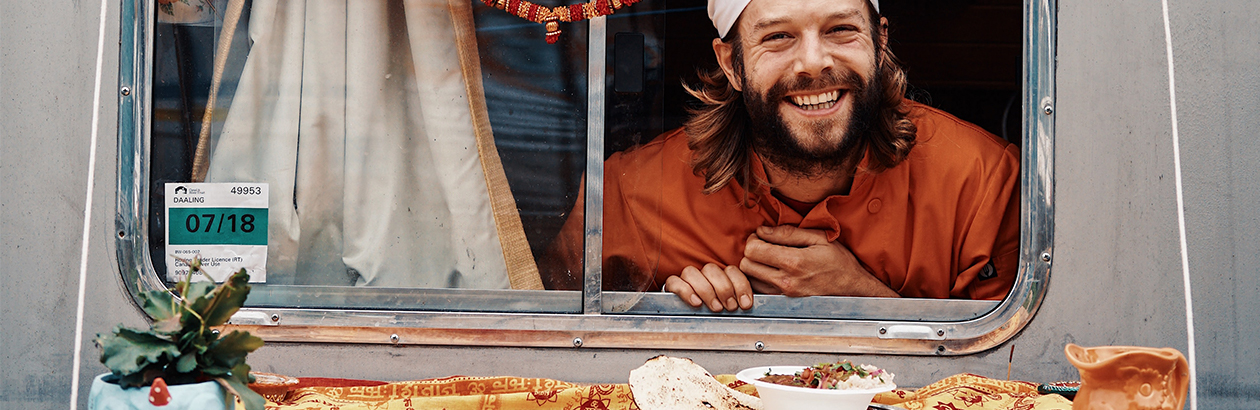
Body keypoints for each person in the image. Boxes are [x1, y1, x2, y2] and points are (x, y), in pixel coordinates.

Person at [543, 0, 1020, 311]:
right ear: (731, 63)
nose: (814, 62)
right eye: (778, 37)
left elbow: (1014, 376)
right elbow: (549, 340)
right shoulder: (630, 192)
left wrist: (860, 298)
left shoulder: (980, 180)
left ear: (880, 42)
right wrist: (664, 315)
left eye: (840, 30)